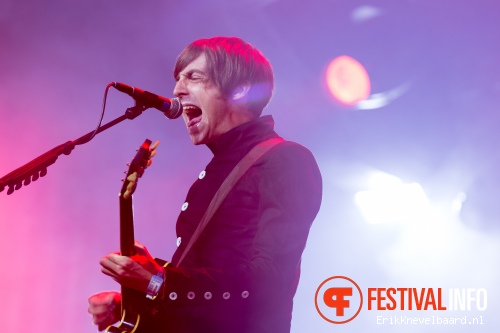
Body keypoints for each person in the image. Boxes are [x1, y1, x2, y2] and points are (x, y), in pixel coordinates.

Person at [88, 36, 322, 333]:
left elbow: (269, 283)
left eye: (193, 77)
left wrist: (158, 281)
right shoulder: (216, 171)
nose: (176, 90)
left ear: (240, 90)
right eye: (177, 79)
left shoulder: (284, 160)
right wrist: (136, 303)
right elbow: (198, 302)